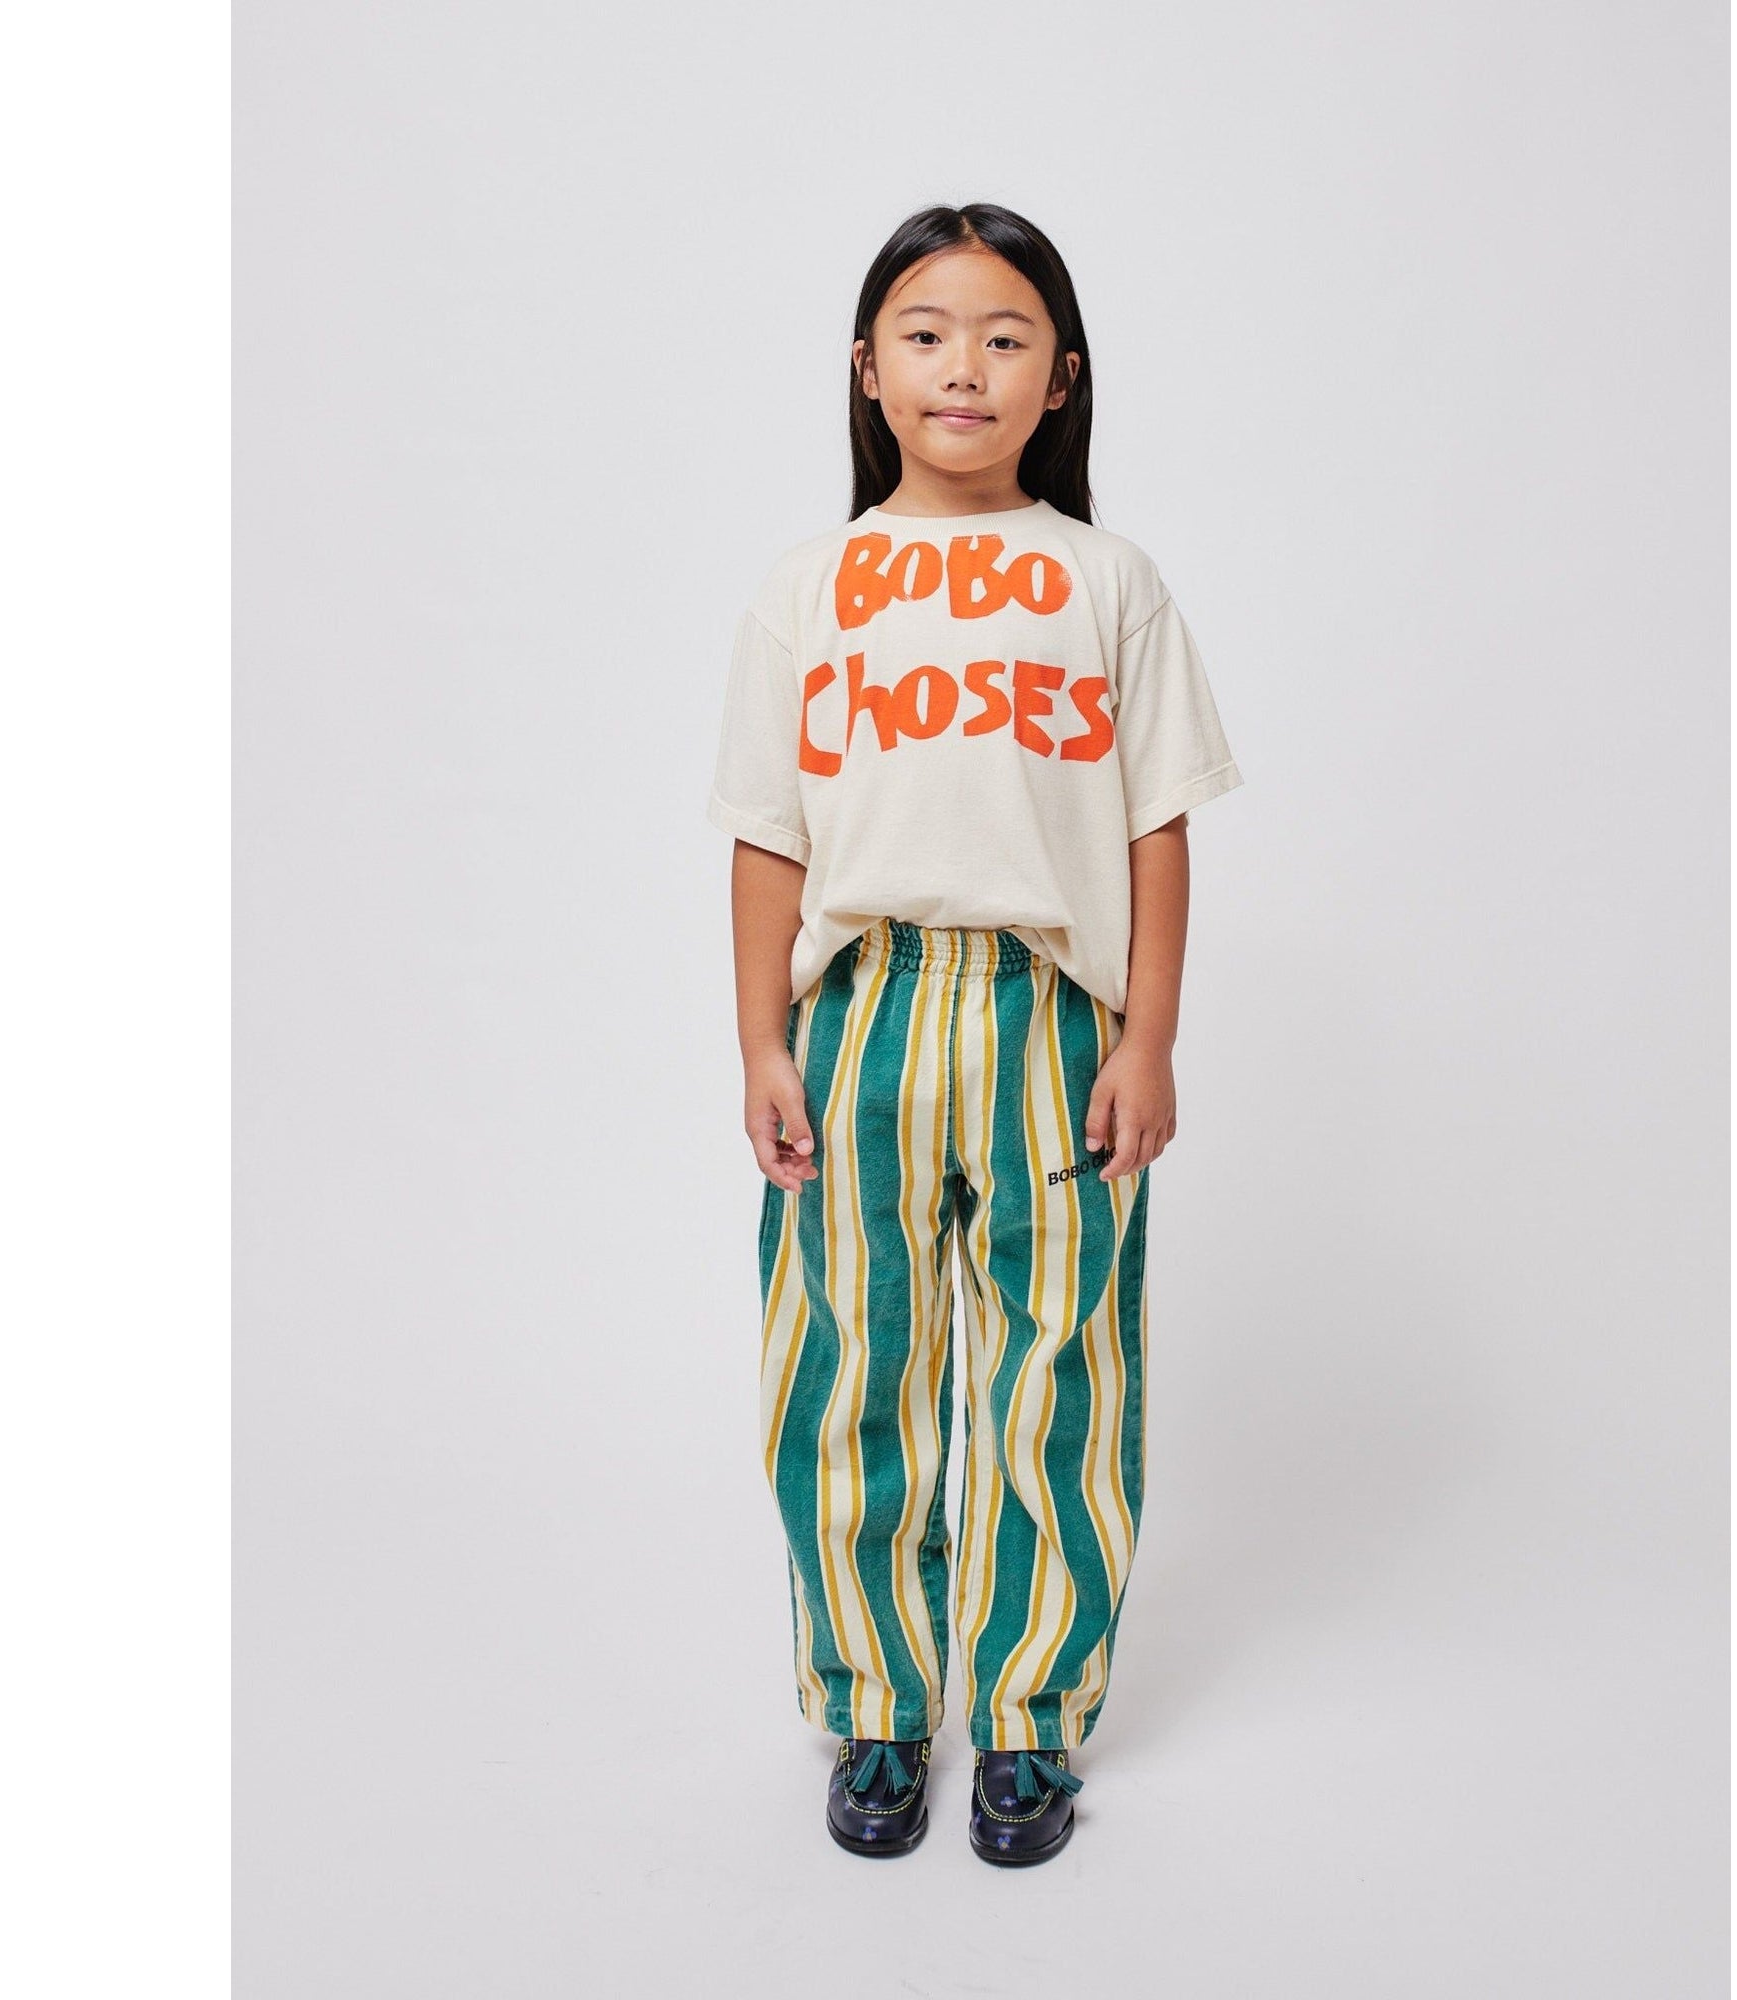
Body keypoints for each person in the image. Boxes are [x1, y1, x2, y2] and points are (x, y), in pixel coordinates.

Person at [705, 201, 1245, 1866]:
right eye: (927, 335)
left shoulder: (1106, 582)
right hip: (865, 1016)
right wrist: (765, 1045)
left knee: (1055, 1372)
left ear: (1060, 378)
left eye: (1006, 338)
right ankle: (876, 1704)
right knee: (848, 1369)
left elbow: (1156, 826)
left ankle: (1027, 1718)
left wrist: (1147, 1039)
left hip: (1049, 1023)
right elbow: (767, 836)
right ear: (867, 371)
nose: (965, 367)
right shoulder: (813, 587)